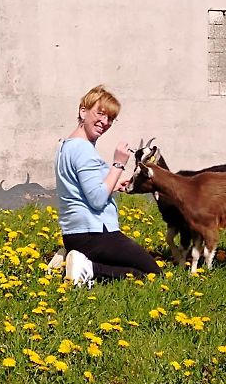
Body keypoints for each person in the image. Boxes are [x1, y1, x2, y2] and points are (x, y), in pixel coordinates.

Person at [53, 85, 161, 286]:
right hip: (95, 234)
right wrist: (118, 164)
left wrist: (113, 183)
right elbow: (96, 199)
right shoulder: (84, 150)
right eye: (100, 113)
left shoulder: (66, 145)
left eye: (110, 118)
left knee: (136, 269)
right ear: (82, 111)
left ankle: (68, 262)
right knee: (153, 274)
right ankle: (88, 268)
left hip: (74, 234)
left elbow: (82, 188)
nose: (105, 122)